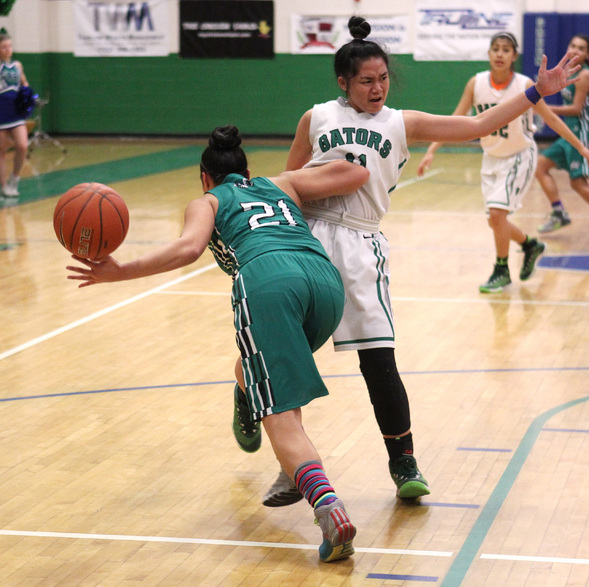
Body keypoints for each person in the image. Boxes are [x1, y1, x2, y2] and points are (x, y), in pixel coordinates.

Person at [239, 15, 582, 506]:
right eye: (366, 81)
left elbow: (477, 124)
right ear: (343, 83)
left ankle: (404, 463)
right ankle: (286, 463)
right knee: (285, 356)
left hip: (360, 246)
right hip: (308, 243)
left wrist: (535, 93)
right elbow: (288, 181)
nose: (377, 88)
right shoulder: (315, 118)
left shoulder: (401, 122)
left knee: (378, 361)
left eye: (383, 79)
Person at [65, 125, 371, 563]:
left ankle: (328, 508)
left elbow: (189, 248)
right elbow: (355, 173)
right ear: (247, 171)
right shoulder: (279, 183)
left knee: (279, 413)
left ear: (204, 177)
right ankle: (260, 413)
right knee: (260, 373)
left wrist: (120, 271)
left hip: (268, 281)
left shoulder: (206, 200)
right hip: (324, 282)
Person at [417, 32, 589, 293]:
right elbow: (457, 118)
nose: (500, 54)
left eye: (506, 50)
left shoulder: (525, 84)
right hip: (491, 157)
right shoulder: (476, 83)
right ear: (490, 54)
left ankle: (501, 269)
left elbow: (550, 118)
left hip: (519, 156)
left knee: (497, 214)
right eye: (495, 49)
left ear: (514, 56)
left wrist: (581, 147)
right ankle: (530, 245)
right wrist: (431, 150)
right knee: (496, 221)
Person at [536, 34, 589, 241]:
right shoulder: (566, 72)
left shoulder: (585, 75)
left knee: (577, 182)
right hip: (570, 130)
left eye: (581, 48)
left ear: (587, 54)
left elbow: (576, 109)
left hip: (583, 129)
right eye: (573, 46)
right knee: (540, 166)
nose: (575, 50)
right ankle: (558, 212)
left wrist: (544, 109)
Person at [0, 32, 29, 198]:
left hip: (16, 113)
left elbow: (24, 83)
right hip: (1, 112)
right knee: (1, 151)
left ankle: (14, 179)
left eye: (9, 46)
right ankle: (4, 186)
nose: (8, 50)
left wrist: (28, 96)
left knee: (22, 145)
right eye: (4, 47)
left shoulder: (17, 66)